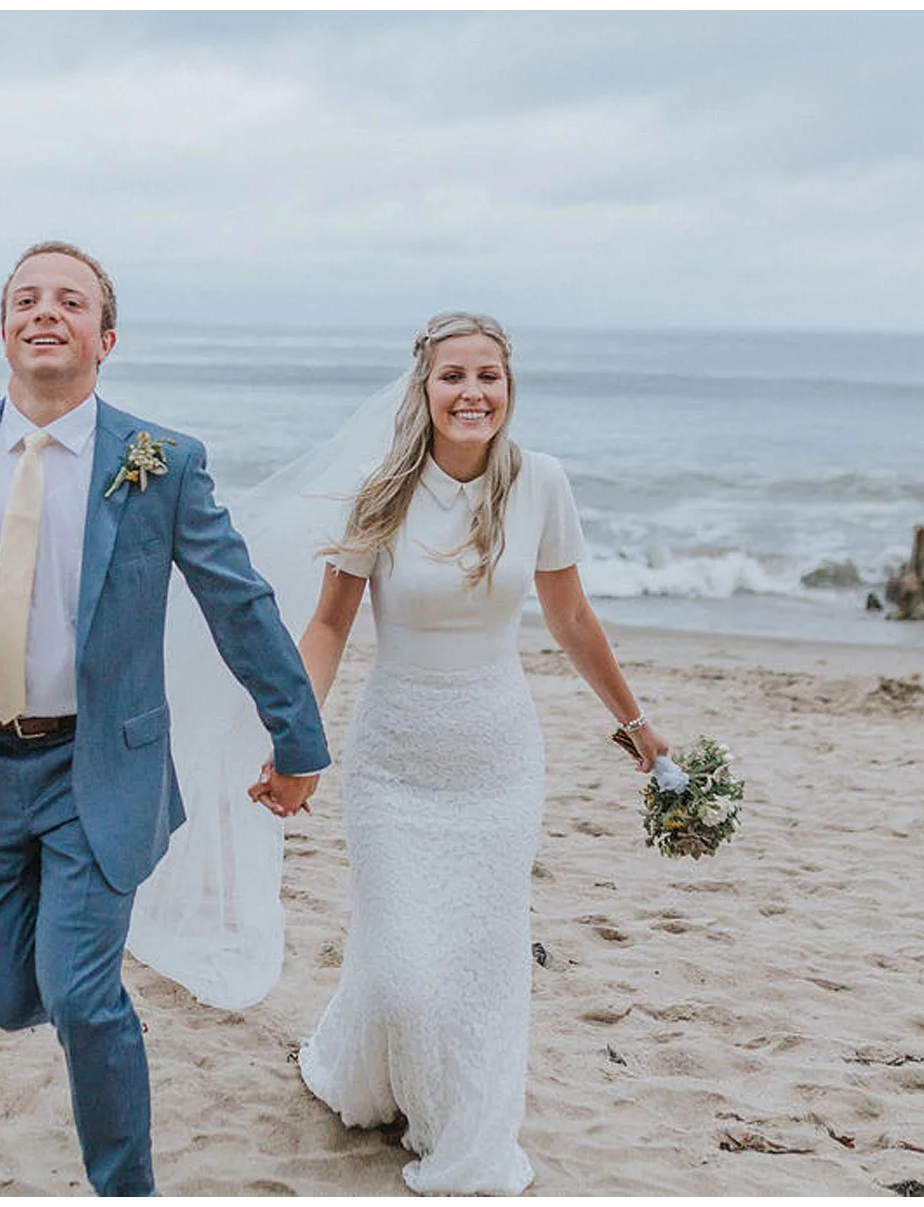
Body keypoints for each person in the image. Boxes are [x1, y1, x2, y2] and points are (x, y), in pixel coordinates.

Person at [0, 241, 329, 1196]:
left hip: (100, 767)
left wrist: (294, 737)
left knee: (83, 993)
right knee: (11, 997)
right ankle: (84, 1013)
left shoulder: (162, 463)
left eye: (70, 300)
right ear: (5, 328)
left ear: (106, 337)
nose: (44, 311)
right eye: (25, 298)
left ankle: (124, 1184)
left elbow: (240, 604)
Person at [263, 311, 669, 1195]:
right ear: (425, 388)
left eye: (489, 375)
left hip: (497, 760)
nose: (473, 392)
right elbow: (330, 623)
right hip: (394, 761)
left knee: (482, 965)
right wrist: (295, 735)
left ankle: (467, 1131)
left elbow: (569, 615)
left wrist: (637, 725)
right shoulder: (379, 491)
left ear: (508, 389)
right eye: (454, 375)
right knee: (405, 962)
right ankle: (371, 1068)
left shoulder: (541, 484)